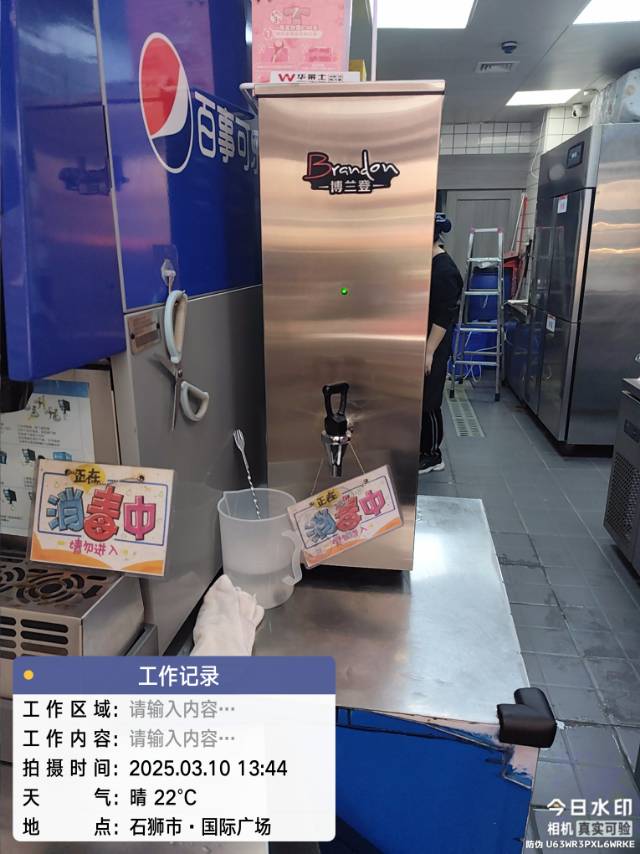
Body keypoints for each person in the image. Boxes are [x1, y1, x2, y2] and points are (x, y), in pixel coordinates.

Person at [420, 213, 463, 473]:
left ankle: (433, 454)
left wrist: (429, 352)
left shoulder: (445, 270)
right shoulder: (430, 264)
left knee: (430, 400)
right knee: (421, 398)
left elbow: (444, 316)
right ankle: (421, 447)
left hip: (434, 344)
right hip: (425, 342)